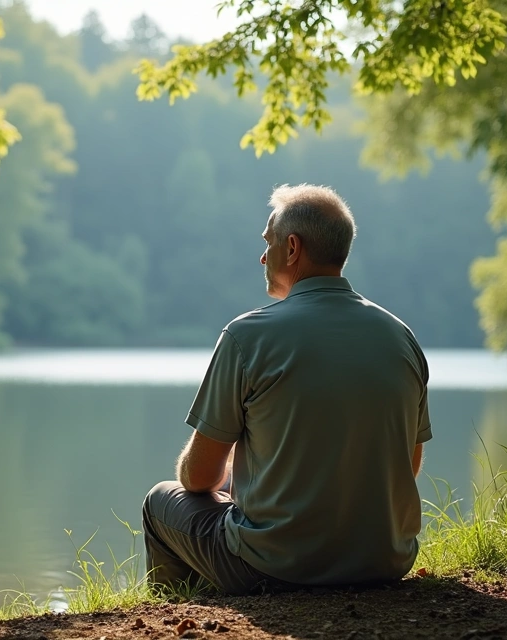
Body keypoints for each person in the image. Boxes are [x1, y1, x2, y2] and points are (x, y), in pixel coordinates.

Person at [141, 184, 431, 594]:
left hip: (277, 568)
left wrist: (224, 481)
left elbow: (199, 476)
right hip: (385, 562)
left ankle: (183, 612)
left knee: (160, 500)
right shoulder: (401, 337)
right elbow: (407, 465)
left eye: (269, 242)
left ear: (292, 248)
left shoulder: (247, 336)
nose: (263, 256)